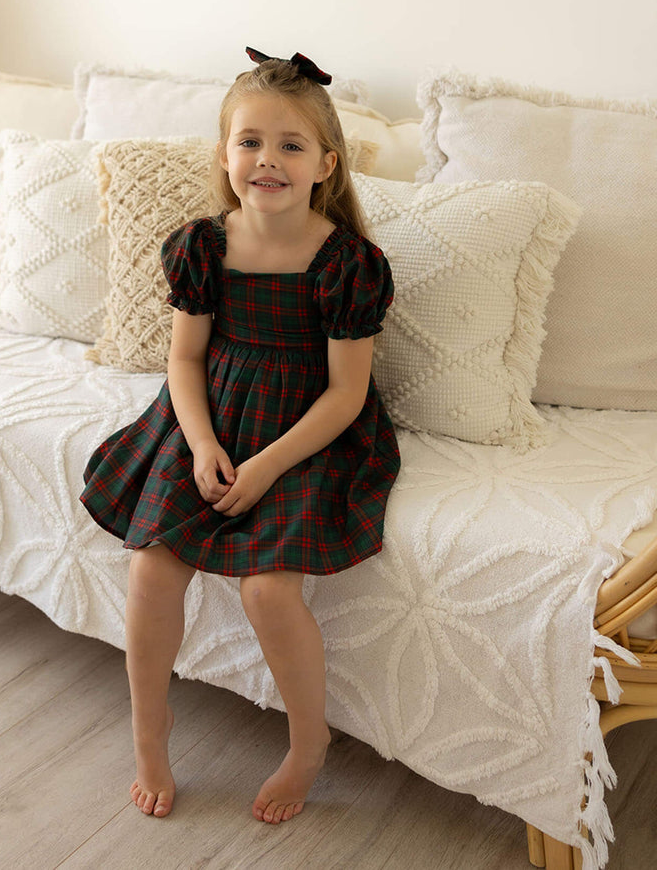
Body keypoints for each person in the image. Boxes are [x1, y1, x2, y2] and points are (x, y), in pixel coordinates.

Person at [80, 46, 400, 825]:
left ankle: (307, 741)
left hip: (304, 429)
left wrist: (263, 466)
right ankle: (150, 735)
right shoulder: (202, 244)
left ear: (326, 162)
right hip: (207, 417)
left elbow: (346, 393)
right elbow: (183, 358)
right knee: (153, 569)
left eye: (290, 145)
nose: (268, 159)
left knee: (267, 585)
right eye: (250, 141)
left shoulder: (346, 262)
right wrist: (201, 445)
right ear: (225, 156)